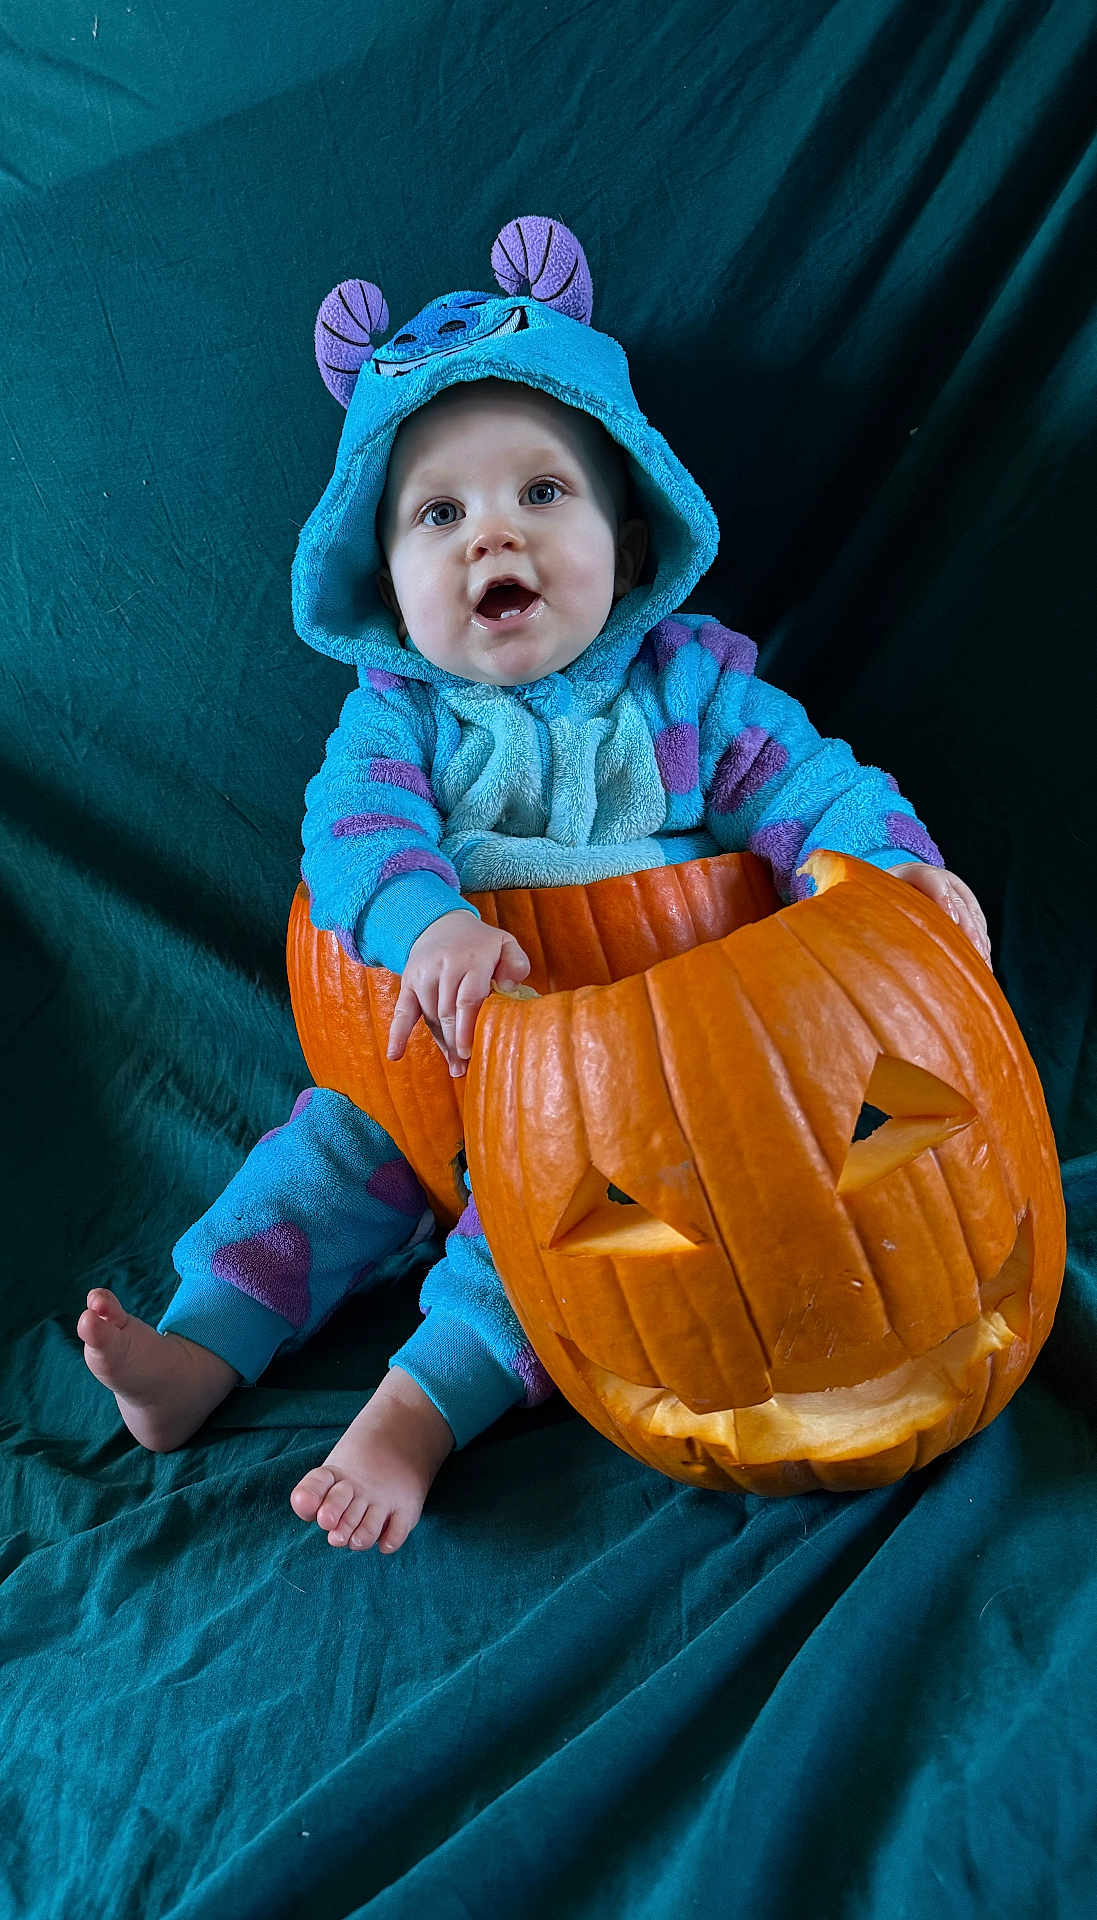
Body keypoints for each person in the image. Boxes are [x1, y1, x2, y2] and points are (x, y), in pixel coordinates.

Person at [77, 215, 992, 1555]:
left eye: (539, 495)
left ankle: (417, 1409)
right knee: (318, 1167)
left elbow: (808, 791)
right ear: (386, 583)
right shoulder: (400, 722)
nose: (486, 538)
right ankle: (201, 1348)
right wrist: (427, 919)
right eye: (437, 515)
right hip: (417, 1057)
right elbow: (351, 840)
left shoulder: (691, 690)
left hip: (624, 1098)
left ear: (627, 532)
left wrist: (897, 872)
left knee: (572, 1237)